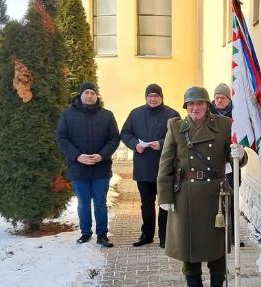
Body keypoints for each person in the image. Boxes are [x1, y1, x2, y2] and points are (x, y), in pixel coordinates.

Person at [157, 86, 247, 287]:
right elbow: (165, 163)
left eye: (200, 103)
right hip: (185, 193)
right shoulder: (176, 127)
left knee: (215, 245)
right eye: (191, 104)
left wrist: (241, 155)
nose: (195, 108)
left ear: (208, 105)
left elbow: (232, 156)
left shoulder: (224, 125)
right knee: (188, 243)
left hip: (215, 194)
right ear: (186, 106)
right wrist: (165, 195)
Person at [56, 81, 120, 248]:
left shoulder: (107, 115)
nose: (90, 96)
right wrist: (77, 156)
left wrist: (101, 155)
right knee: (83, 202)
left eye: (93, 93)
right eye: (87, 93)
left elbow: (114, 138)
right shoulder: (68, 115)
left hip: (101, 167)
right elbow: (62, 138)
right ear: (80, 95)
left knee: (100, 202)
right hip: (78, 168)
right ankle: (85, 233)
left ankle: (102, 235)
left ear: (97, 95)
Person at [121, 84, 179, 248]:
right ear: (145, 97)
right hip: (143, 166)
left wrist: (161, 144)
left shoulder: (172, 115)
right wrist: (134, 144)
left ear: (162, 97)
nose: (153, 99)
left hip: (165, 167)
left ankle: (165, 237)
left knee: (165, 204)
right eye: (150, 96)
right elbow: (125, 133)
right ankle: (146, 235)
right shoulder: (135, 113)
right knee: (146, 203)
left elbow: (179, 136)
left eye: (156, 96)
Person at [209, 83, 244, 247]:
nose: (219, 100)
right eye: (217, 97)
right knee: (213, 201)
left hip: (230, 164)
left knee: (231, 201)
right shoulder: (207, 112)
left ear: (229, 99)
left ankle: (233, 237)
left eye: (222, 98)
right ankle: (214, 236)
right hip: (212, 165)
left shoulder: (237, 113)